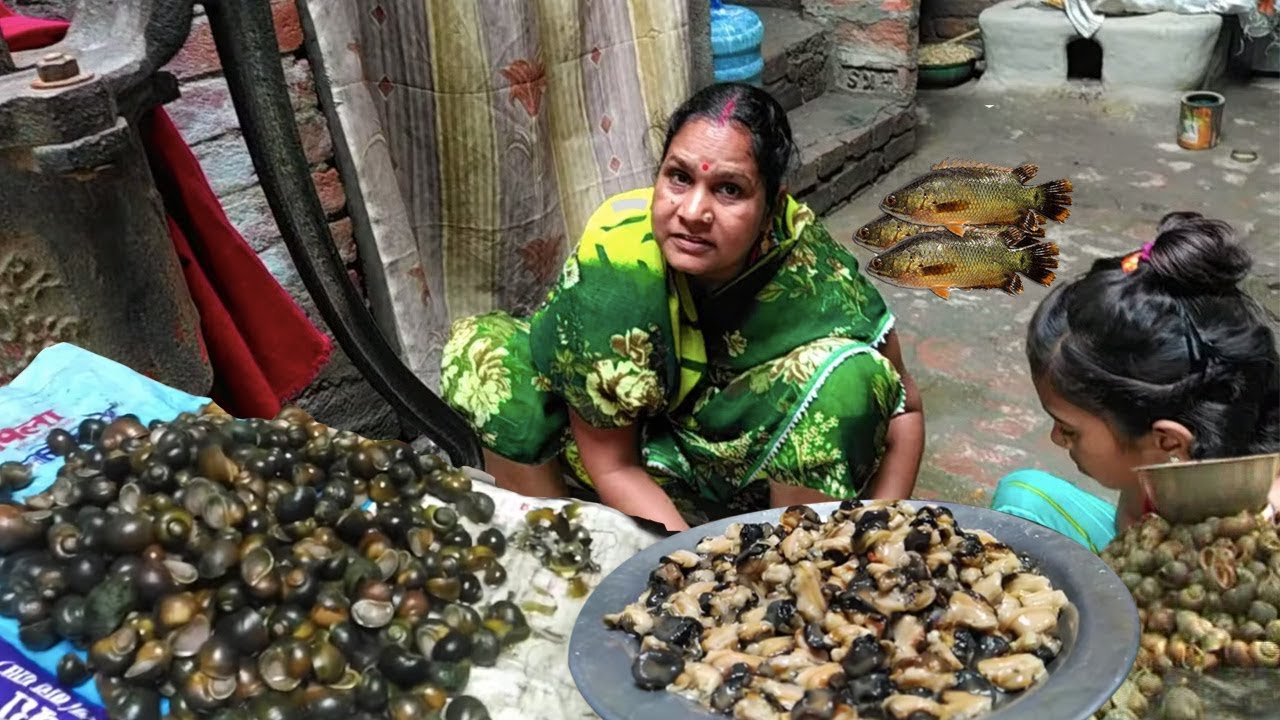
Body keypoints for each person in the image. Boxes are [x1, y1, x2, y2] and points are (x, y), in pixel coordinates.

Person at [439, 82, 924, 531]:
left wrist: (879, 533)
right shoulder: (619, 264)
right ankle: (564, 544)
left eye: (729, 189)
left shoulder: (809, 267)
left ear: (773, 208)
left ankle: (792, 557)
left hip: (753, 473)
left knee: (853, 377)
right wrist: (695, 572)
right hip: (630, 458)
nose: (692, 213)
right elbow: (614, 463)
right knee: (488, 357)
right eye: (678, 178)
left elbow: (905, 407)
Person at [991, 212, 1280, 553]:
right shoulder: (1159, 465)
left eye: (1069, 430)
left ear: (1169, 443)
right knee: (1022, 498)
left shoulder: (1264, 532)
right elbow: (1126, 525)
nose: (1056, 438)